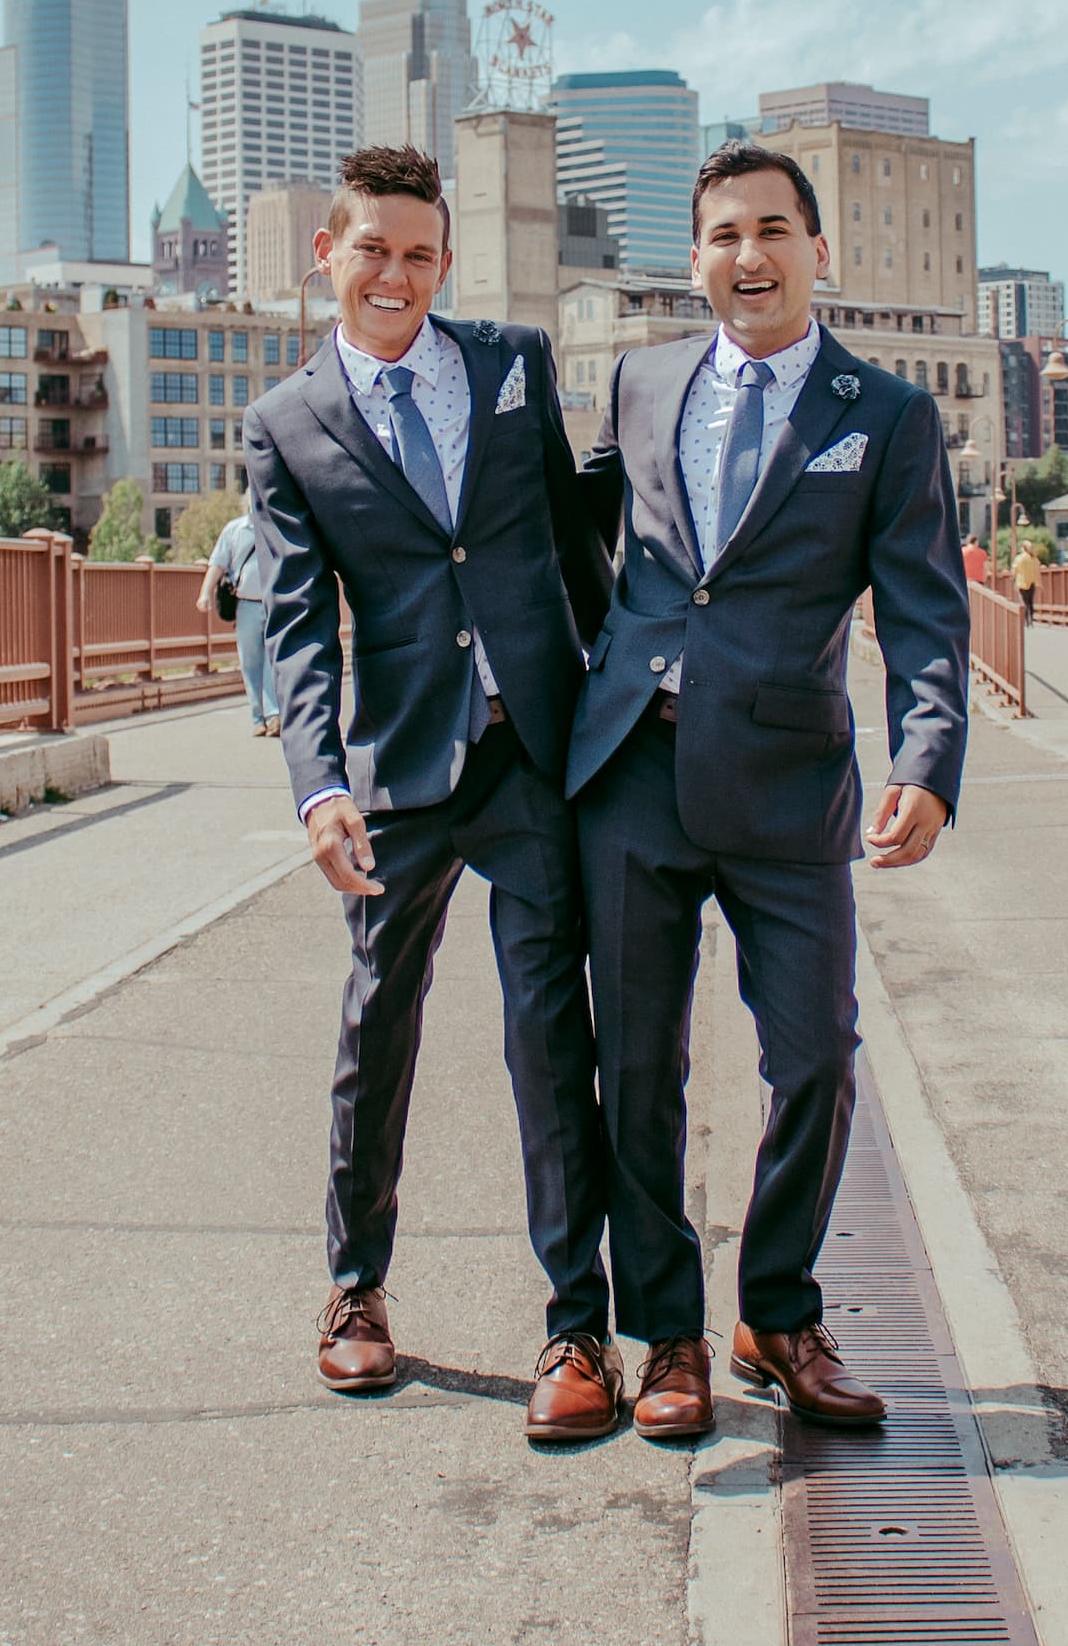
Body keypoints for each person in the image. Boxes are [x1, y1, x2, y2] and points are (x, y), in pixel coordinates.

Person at [570, 142, 970, 1439]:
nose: (748, 255)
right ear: (695, 259)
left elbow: (924, 607)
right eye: (724, 234)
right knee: (637, 1068)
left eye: (773, 231)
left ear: (817, 250)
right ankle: (668, 1335)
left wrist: (926, 757)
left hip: (790, 781)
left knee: (815, 1058)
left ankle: (777, 1307)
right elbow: (565, 532)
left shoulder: (887, 413)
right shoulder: (639, 383)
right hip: (631, 767)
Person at [241, 146, 620, 1443]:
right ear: (328, 257)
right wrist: (316, 786)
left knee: (546, 1036)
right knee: (377, 1026)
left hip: (532, 752)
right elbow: (292, 621)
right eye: (373, 252)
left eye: (418, 254)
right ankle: (356, 1294)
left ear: (444, 262)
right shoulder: (289, 423)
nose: (395, 274)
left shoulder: (515, 364)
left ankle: (579, 1327)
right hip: (399, 771)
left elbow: (576, 538)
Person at [197, 492, 279, 736]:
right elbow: (218, 563)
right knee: (250, 663)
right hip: (246, 605)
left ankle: (274, 715)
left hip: (274, 604)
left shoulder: (276, 528)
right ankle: (258, 718)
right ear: (247, 503)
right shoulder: (235, 530)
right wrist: (204, 593)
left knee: (272, 661)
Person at [1010, 539, 1040, 624]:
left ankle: (1026, 620)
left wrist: (1012, 579)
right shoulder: (1034, 558)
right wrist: (1039, 583)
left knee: (1024, 601)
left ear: (1023, 548)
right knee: (1030, 601)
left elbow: (1014, 571)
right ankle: (1031, 619)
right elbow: (1037, 571)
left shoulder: (1019, 558)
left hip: (1021, 583)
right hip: (1032, 582)